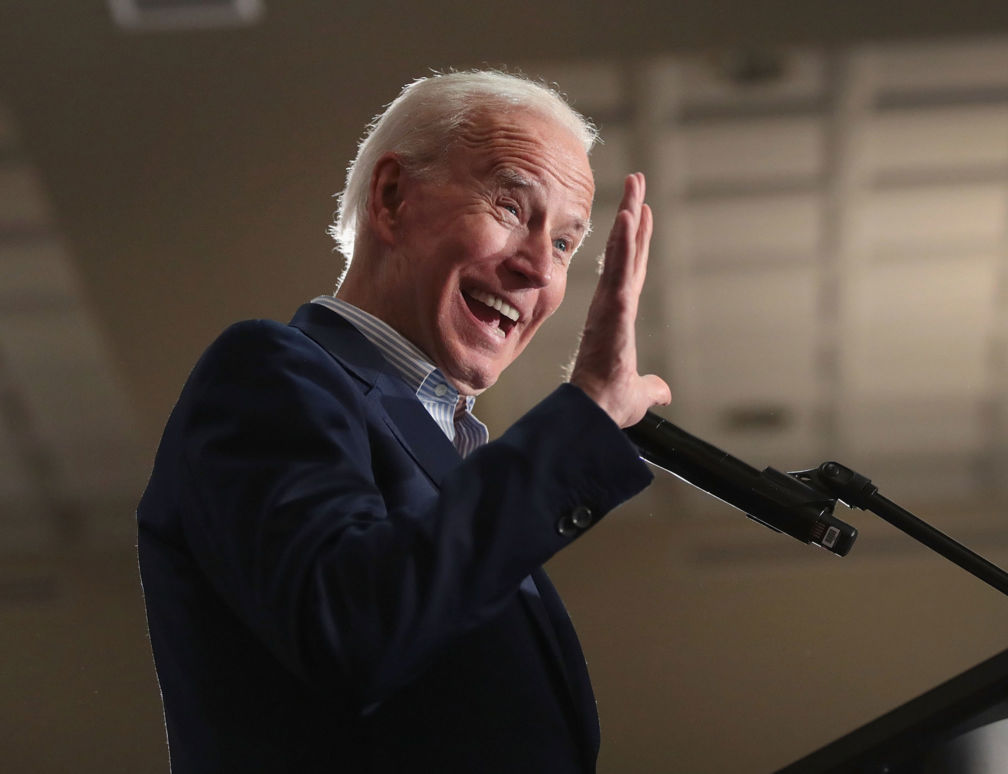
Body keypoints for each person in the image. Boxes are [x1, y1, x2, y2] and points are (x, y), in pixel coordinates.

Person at [137, 70, 671, 773]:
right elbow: (348, 627)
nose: (541, 268)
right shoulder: (267, 373)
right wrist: (582, 423)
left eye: (567, 244)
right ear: (392, 199)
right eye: (512, 207)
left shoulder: (454, 459)